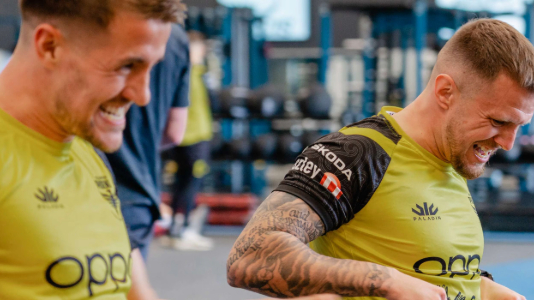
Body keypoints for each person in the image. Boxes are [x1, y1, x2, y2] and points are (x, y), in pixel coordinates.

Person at [227, 19, 532, 300]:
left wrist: (484, 288)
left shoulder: (453, 157)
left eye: (519, 126)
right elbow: (250, 256)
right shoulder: (357, 154)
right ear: (445, 91)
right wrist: (383, 279)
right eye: (497, 121)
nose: (508, 143)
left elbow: (424, 269)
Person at [0, 0, 184, 299]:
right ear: (49, 46)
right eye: (127, 66)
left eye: (152, 68)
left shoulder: (89, 155)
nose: (143, 95)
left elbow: (135, 292)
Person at [105, 23, 190, 299]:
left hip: (118, 190)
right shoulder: (176, 37)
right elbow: (175, 132)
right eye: (128, 66)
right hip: (136, 189)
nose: (141, 94)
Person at [165, 30, 215, 251]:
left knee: (183, 182)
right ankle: (183, 229)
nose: (201, 52)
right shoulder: (190, 75)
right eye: (198, 48)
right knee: (188, 183)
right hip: (192, 138)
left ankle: (178, 229)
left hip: (192, 137)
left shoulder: (196, 74)